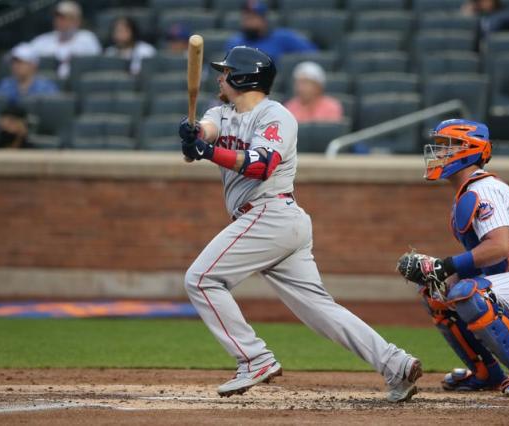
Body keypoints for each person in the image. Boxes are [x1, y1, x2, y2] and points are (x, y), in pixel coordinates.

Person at [178, 45, 421, 402]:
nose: (220, 77)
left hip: (270, 214)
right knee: (321, 311)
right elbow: (206, 134)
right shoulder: (220, 112)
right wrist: (194, 136)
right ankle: (395, 364)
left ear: (245, 78)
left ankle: (253, 358)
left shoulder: (277, 116)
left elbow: (261, 165)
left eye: (227, 72)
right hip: (275, 222)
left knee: (201, 279)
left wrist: (207, 151)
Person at [397, 119, 509, 397]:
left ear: (468, 149)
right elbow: (492, 262)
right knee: (438, 294)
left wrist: (444, 265)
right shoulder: (468, 191)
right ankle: (486, 373)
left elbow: (499, 248)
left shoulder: (484, 188)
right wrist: (441, 275)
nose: (438, 153)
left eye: (446, 146)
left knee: (471, 295)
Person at [225, 1, 316, 64]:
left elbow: (312, 54)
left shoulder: (283, 37)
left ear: (263, 20)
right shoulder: (235, 43)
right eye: (245, 18)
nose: (247, 23)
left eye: (252, 18)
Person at [29, 1, 101, 79]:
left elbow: (97, 67)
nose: (60, 21)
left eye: (64, 18)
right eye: (57, 17)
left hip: (79, 84)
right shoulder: (42, 41)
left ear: (77, 20)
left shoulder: (88, 38)